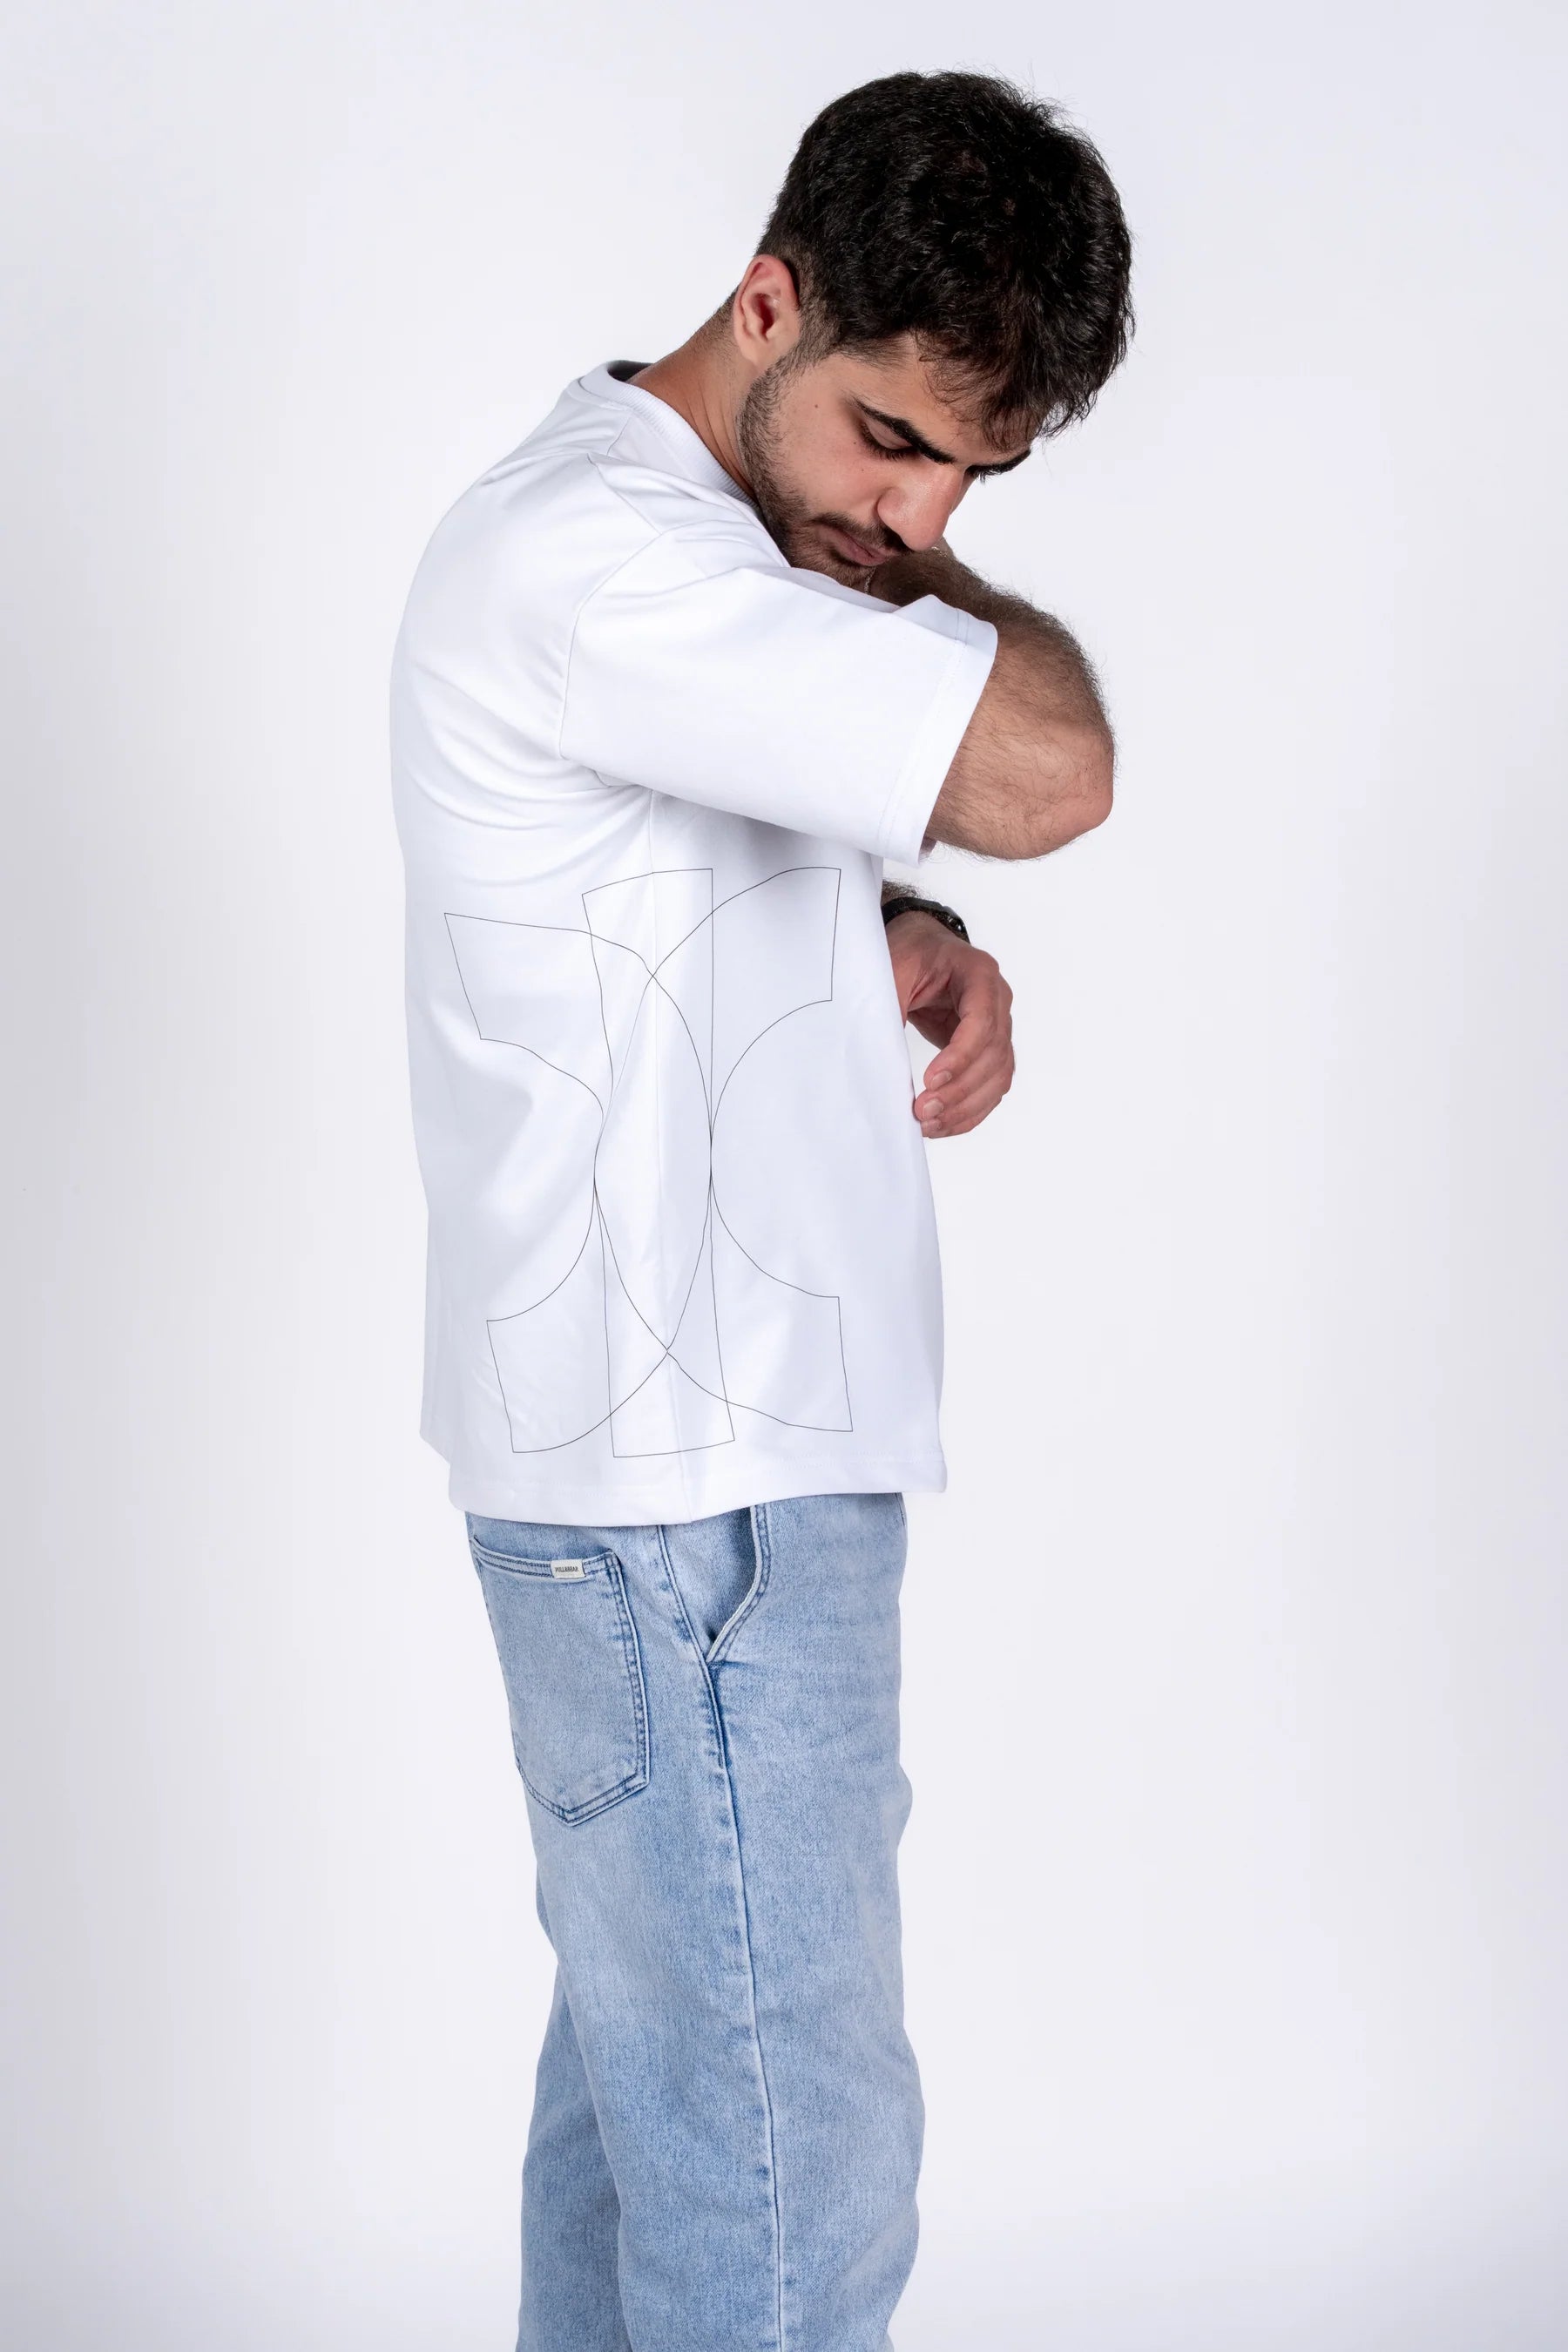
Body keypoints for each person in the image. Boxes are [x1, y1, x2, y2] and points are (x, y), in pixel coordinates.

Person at [389, 65, 1132, 2352]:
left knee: (654, 2154)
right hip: (692, 1504)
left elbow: (677, 847)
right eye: (897, 442)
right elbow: (1056, 765)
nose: (917, 516)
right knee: (791, 2205)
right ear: (766, 300)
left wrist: (881, 928)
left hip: (676, 1481)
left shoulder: (701, 557)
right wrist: (939, 602)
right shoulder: (618, 556)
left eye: (975, 480)